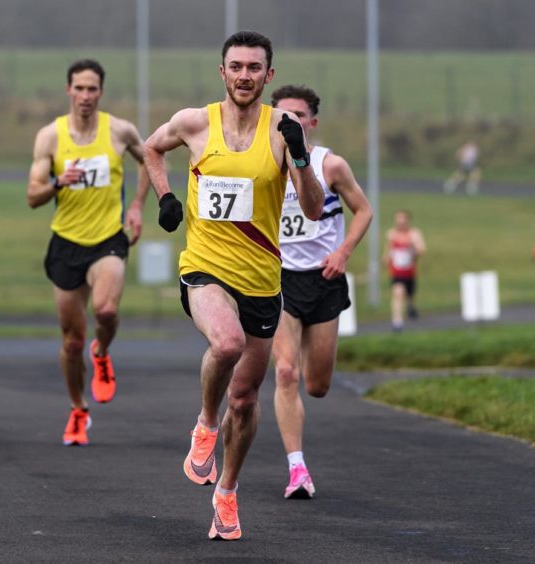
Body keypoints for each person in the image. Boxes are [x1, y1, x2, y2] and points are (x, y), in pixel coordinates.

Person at [143, 31, 324, 541]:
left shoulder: (283, 129)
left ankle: (226, 491)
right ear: (221, 72)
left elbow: (311, 209)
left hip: (263, 281)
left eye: (254, 68)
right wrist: (165, 198)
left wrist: (301, 158)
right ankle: (204, 423)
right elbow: (152, 150)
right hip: (204, 267)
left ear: (268, 76)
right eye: (236, 66)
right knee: (226, 342)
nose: (244, 76)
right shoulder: (194, 123)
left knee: (244, 402)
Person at [26, 59, 149, 446]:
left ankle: (104, 350)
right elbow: (32, 195)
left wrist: (137, 206)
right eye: (79, 88)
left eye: (92, 89)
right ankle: (79, 408)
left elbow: (152, 158)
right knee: (70, 342)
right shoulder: (50, 136)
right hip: (66, 244)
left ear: (101, 92)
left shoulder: (120, 130)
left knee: (107, 310)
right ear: (68, 91)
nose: (85, 96)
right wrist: (58, 182)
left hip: (108, 239)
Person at [268, 84, 372, 499]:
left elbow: (363, 210)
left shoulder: (331, 165)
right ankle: (297, 469)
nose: (290, 122)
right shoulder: (264, 165)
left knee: (317, 384)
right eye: (282, 115)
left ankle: (299, 459)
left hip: (324, 278)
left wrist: (343, 251)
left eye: (298, 115)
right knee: (285, 372)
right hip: (279, 279)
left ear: (312, 122)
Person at [382, 210, 426, 332]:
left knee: (410, 295)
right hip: (396, 272)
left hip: (410, 272)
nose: (400, 222)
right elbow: (388, 250)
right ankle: (397, 322)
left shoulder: (414, 234)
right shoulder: (391, 234)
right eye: (398, 219)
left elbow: (422, 250)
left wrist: (413, 247)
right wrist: (385, 259)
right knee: (398, 292)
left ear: (407, 221)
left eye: (403, 219)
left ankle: (411, 307)